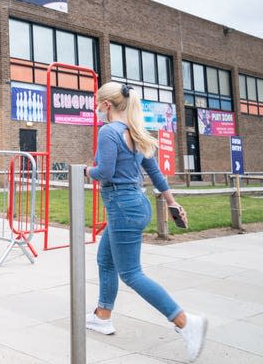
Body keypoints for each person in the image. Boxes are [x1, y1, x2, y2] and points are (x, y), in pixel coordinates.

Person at [85, 82, 207, 362]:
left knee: (131, 273)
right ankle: (103, 316)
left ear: (106, 106)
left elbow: (104, 171)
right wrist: (172, 202)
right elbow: (156, 173)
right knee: (106, 261)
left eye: (96, 104)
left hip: (122, 206)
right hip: (136, 204)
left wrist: (84, 170)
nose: (95, 111)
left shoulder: (108, 132)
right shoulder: (136, 132)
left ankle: (186, 322)